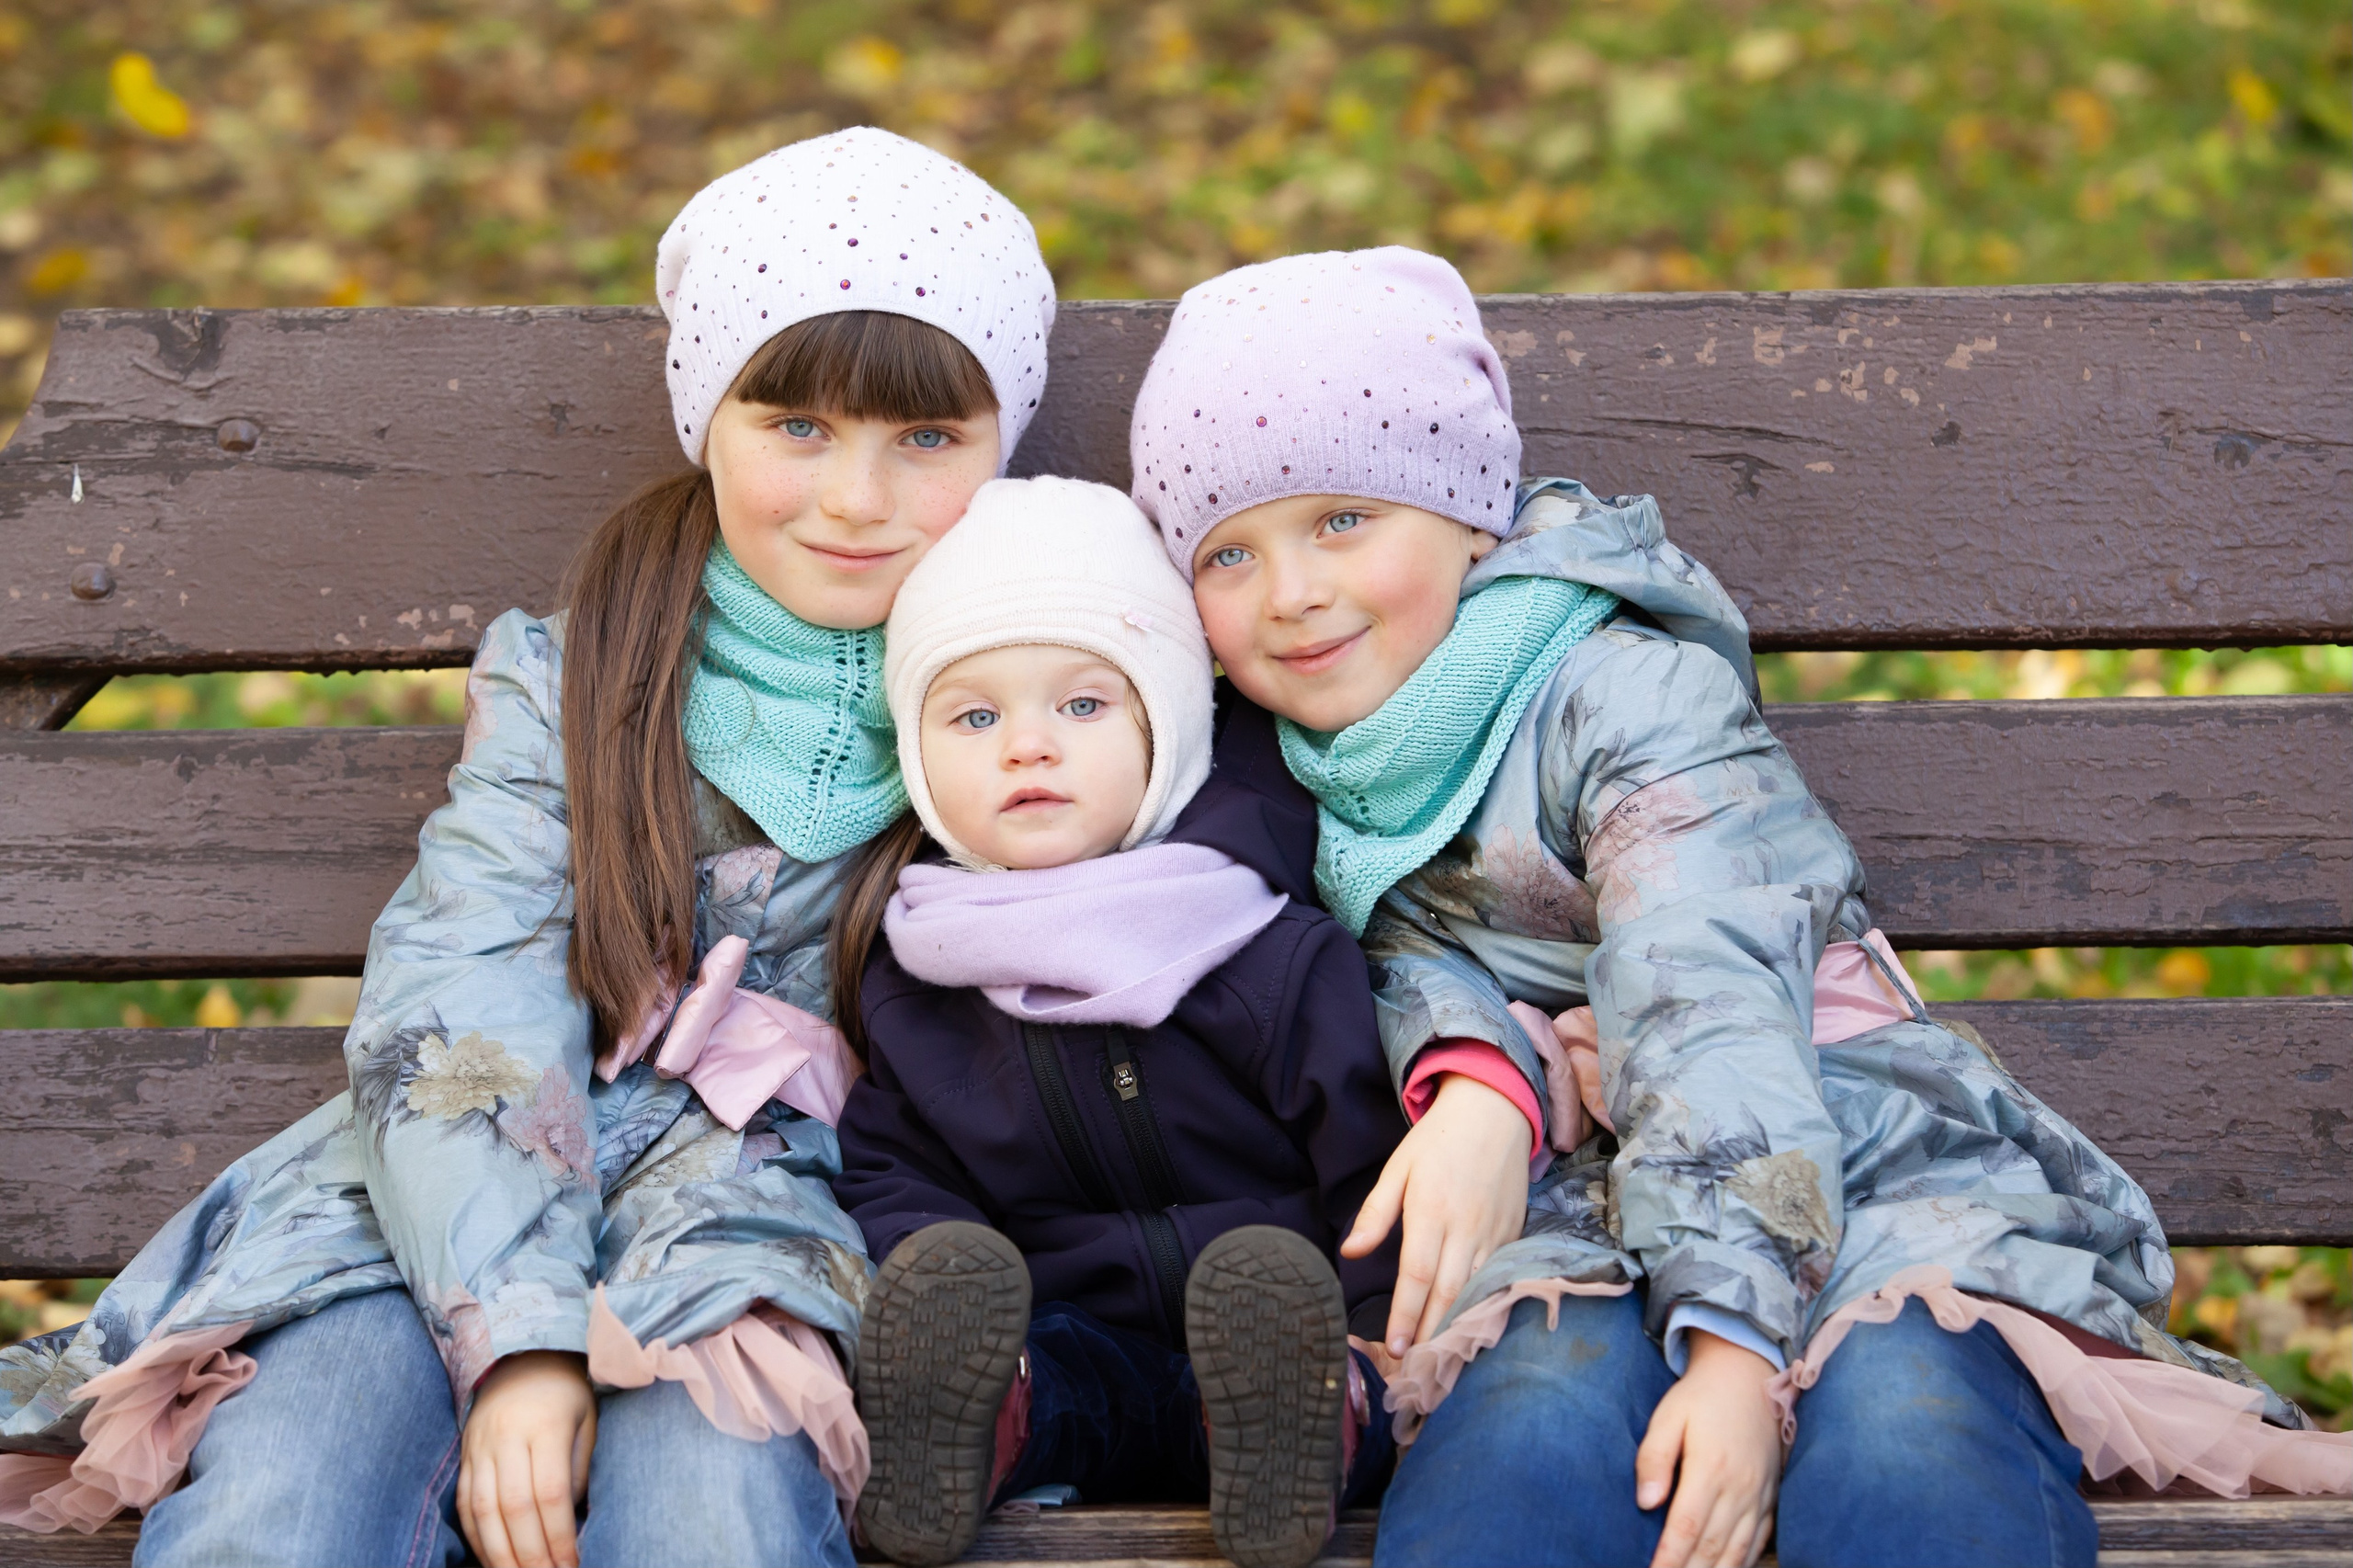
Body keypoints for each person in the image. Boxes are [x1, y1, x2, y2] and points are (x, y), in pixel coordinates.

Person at [1127, 246, 2350, 1568]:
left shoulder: (1625, 696)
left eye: (1344, 521)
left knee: (1908, 1435)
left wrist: (1731, 1350)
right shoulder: (1293, 768)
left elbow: (1708, 1001)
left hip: (1847, 1164)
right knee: (1527, 1434)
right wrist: (1487, 1073)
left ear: (1469, 513)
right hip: (1570, 1221)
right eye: (1228, 551)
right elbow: (1386, 974)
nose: (1293, 590)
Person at [0, 126, 1056, 1568]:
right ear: (709, 417)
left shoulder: (1052, 696)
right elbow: (464, 992)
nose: (857, 498)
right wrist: (525, 1341)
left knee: (716, 1508)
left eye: (927, 436)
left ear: (1006, 443)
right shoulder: (579, 676)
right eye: (796, 425)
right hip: (434, 1216)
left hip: (761, 1243)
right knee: (289, 1494)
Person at [827, 476, 1407, 1568]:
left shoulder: (1266, 946)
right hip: (1073, 1333)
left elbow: (1369, 1151)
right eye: (974, 714)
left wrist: (1376, 1322)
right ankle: (982, 1418)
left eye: (1083, 705)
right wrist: (932, 1267)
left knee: (1323, 1369)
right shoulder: (921, 975)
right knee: (1050, 1378)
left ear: (1168, 729)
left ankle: (1319, 1429)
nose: (1027, 746)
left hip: (1284, 1328)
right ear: (916, 754)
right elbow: (895, 1169)